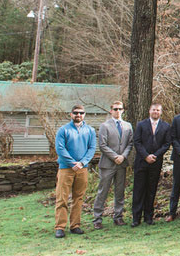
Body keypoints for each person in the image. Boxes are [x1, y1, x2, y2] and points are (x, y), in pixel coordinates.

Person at [53, 105, 97, 238]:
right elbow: (60, 149)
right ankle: (60, 227)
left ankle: (75, 225)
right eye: (76, 113)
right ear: (71, 114)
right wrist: (72, 163)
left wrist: (82, 163)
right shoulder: (63, 130)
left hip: (82, 169)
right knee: (62, 198)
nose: (78, 115)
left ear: (84, 114)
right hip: (66, 168)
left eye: (81, 113)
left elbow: (92, 148)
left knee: (78, 198)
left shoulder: (90, 131)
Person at [92, 101, 133, 230]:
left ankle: (118, 216)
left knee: (119, 191)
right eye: (115, 109)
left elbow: (130, 143)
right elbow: (102, 145)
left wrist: (123, 156)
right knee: (103, 191)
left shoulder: (127, 126)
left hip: (122, 163)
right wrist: (115, 156)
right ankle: (97, 218)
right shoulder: (105, 126)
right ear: (111, 111)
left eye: (120, 109)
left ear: (123, 110)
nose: (118, 111)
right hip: (108, 164)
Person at [132, 102, 172, 227]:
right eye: (154, 110)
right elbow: (137, 142)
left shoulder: (166, 126)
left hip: (156, 162)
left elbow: (166, 144)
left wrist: (155, 155)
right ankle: (136, 218)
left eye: (158, 110)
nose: (156, 112)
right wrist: (146, 156)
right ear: (149, 111)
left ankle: (148, 217)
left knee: (151, 190)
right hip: (141, 162)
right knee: (139, 190)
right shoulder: (141, 124)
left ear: (161, 112)